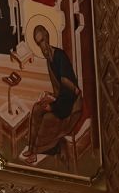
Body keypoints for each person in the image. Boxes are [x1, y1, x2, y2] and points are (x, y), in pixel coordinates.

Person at [21, 24, 84, 164]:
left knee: (47, 119)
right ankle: (31, 147)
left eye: (42, 40)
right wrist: (50, 96)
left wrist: (53, 107)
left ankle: (36, 152)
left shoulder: (60, 56)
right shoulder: (49, 60)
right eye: (38, 43)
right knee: (36, 108)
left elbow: (69, 90)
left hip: (71, 106)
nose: (42, 46)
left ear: (47, 37)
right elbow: (59, 89)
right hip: (61, 100)